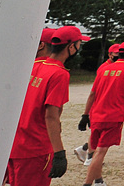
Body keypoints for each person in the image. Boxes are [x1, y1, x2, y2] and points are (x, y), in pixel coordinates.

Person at [8, 25, 86, 186]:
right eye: (78, 44)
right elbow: (51, 115)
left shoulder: (34, 66)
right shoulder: (59, 73)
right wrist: (59, 153)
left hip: (16, 145)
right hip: (36, 148)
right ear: (71, 47)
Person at [77, 40, 124, 186]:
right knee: (100, 152)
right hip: (113, 116)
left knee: (96, 150)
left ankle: (99, 181)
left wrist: (85, 115)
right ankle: (87, 183)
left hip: (96, 114)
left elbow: (93, 93)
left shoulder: (104, 69)